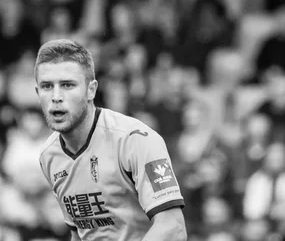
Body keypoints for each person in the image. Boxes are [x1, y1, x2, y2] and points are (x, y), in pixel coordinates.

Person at [36, 39, 186, 240]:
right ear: (37, 92)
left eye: (67, 85)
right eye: (47, 86)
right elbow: (79, 234)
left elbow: (173, 228)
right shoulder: (49, 155)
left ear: (91, 90)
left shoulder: (135, 140)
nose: (56, 96)